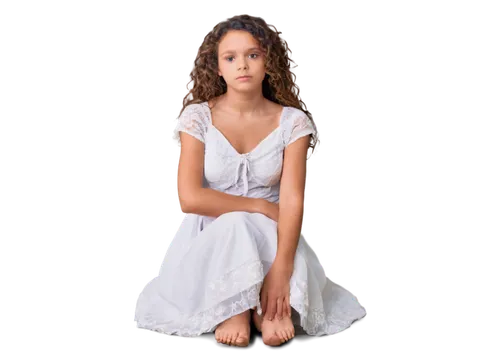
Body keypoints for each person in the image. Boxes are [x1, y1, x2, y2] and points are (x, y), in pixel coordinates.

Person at [132, 13, 367, 347]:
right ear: (218, 67)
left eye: (253, 55)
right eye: (231, 58)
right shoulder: (198, 117)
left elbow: (289, 203)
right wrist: (259, 205)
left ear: (268, 61)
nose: (242, 65)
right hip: (212, 234)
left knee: (257, 228)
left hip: (273, 233)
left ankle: (266, 305)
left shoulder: (293, 123)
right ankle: (236, 309)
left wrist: (279, 274)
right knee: (237, 222)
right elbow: (190, 198)